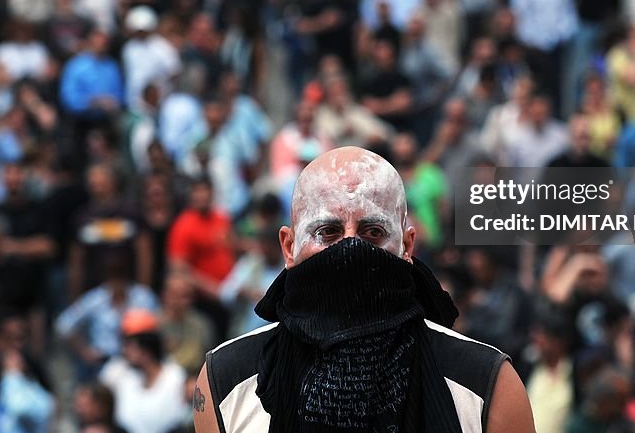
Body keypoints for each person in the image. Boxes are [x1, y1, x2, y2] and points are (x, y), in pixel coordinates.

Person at [194, 146, 534, 433]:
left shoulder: (484, 383)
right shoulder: (226, 379)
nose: (351, 249)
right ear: (288, 247)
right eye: (328, 231)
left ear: (407, 247)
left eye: (372, 232)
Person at [99, 309, 189, 433]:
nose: (124, 351)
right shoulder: (122, 376)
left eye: (129, 344)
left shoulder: (175, 376)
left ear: (146, 347)